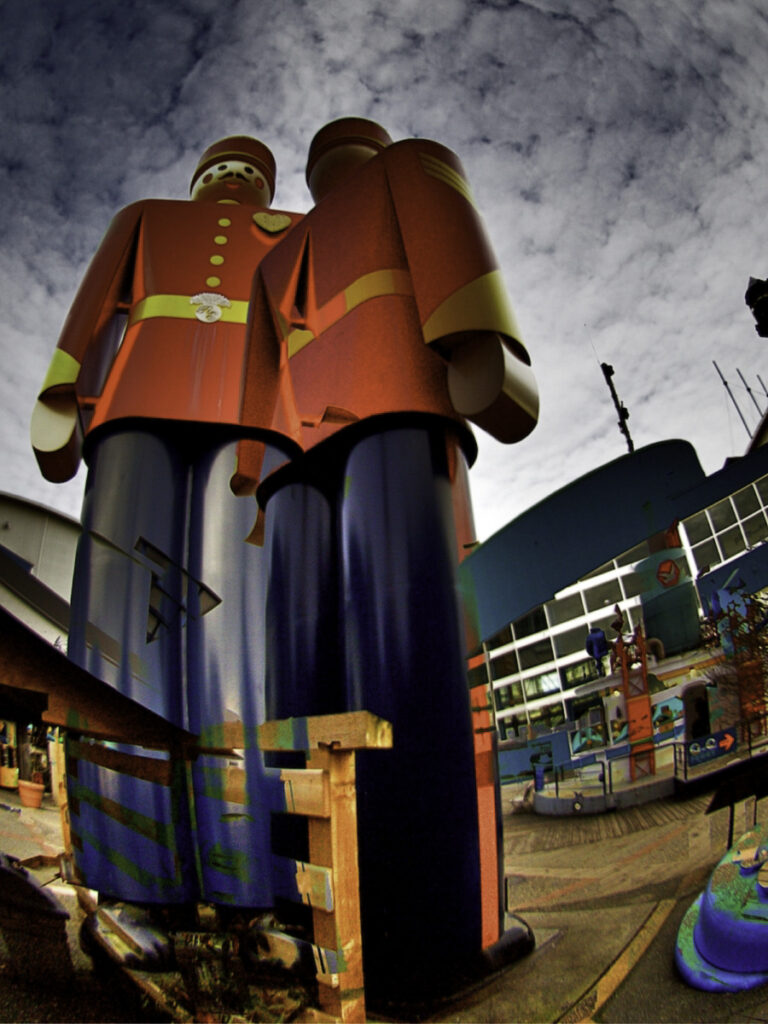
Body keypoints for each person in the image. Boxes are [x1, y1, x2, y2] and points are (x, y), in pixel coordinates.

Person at [249, 117, 539, 1004]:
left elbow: (256, 381)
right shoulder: (411, 166)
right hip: (393, 399)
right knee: (407, 651)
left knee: (303, 676)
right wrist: (487, 358)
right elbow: (454, 257)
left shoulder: (272, 261)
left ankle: (311, 927)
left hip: (290, 455)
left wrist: (254, 476)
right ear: (369, 153)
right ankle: (428, 943)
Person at [32, 137, 302, 907]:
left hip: (252, 412)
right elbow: (93, 307)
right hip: (137, 397)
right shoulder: (144, 218)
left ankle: (249, 872)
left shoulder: (291, 233)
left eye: (250, 171)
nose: (234, 180)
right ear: (197, 178)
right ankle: (129, 874)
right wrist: (61, 391)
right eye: (222, 168)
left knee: (240, 622)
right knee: (121, 620)